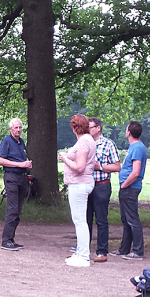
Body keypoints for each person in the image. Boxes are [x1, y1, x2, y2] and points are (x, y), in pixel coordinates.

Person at [60, 114, 96, 267]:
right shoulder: (89, 140)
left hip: (79, 184)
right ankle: (81, 253)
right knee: (80, 220)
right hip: (81, 183)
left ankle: (83, 256)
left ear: (76, 128)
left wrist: (65, 159)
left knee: (80, 221)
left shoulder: (83, 143)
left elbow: (80, 167)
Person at [111, 121, 146, 260]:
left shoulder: (137, 148)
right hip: (128, 187)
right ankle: (124, 249)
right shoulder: (134, 147)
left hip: (130, 187)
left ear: (129, 132)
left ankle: (138, 251)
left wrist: (124, 184)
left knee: (132, 220)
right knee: (126, 219)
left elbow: (136, 172)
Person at [87, 117, 120, 262]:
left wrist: (100, 166)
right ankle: (83, 250)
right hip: (86, 186)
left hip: (101, 185)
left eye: (90, 127)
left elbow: (117, 166)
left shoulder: (108, 144)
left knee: (101, 220)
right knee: (85, 219)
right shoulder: (85, 143)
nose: (88, 130)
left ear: (98, 128)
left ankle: (102, 251)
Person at [0, 118, 32, 251]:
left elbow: (20, 158)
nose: (18, 130)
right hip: (12, 177)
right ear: (11, 129)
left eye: (20, 128)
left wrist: (27, 163)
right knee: (12, 209)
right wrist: (19, 164)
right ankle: (5, 240)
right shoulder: (6, 141)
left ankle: (11, 238)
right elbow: (0, 160)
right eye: (16, 128)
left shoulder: (21, 142)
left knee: (18, 210)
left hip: (22, 177)